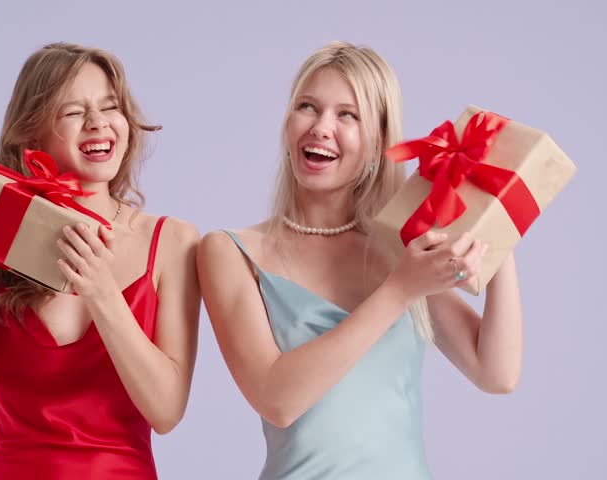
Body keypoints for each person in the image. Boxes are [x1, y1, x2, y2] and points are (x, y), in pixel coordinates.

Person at [197, 41, 523, 480]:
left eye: (347, 115)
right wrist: (398, 291)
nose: (320, 127)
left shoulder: (398, 251)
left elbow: (495, 373)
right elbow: (277, 400)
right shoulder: (230, 251)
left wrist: (496, 225)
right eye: (307, 107)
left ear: (376, 141)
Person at [0, 43, 201, 479]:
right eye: (72, 112)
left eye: (110, 106)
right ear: (32, 134)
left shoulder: (173, 242)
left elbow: (166, 411)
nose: (98, 123)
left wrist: (103, 291)